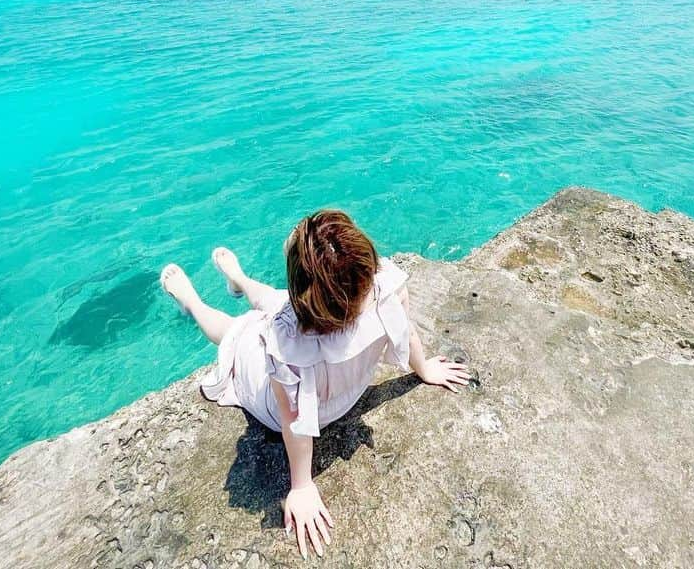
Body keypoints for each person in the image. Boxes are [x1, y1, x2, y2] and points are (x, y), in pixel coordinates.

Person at [159, 210, 471, 558]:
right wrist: (424, 368)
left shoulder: (287, 346)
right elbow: (407, 329)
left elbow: (292, 417)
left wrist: (303, 486)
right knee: (275, 302)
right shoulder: (387, 289)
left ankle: (193, 301)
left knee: (235, 333)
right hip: (340, 385)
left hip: (300, 407)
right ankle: (240, 281)